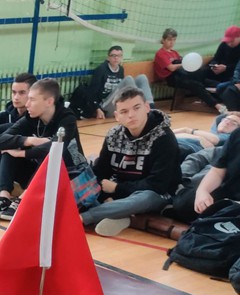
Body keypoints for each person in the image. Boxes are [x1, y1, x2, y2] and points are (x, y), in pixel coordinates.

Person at [80, 87, 181, 237]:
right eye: (124, 111)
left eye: (136, 108)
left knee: (144, 198)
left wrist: (117, 189)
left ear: (147, 107)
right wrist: (104, 196)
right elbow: (101, 171)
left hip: (156, 194)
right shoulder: (113, 135)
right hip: (120, 191)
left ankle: (83, 218)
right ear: (117, 116)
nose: (131, 115)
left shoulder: (164, 138)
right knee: (84, 180)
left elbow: (157, 185)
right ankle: (120, 214)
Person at [0, 78, 87, 221]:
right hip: (39, 174)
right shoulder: (31, 118)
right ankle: (4, 197)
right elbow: (0, 139)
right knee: (9, 150)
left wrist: (23, 153)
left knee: (48, 156)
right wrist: (30, 140)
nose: (27, 104)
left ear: (49, 101)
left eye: (32, 100)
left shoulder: (67, 118)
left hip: (69, 173)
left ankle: (24, 200)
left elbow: (56, 149)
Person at [153, 28, 226, 113]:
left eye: (174, 40)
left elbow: (183, 64)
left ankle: (224, 97)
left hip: (182, 75)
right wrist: (184, 64)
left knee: (204, 77)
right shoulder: (160, 53)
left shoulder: (174, 52)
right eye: (169, 40)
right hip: (171, 78)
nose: (172, 42)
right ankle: (217, 105)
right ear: (163, 40)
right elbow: (171, 68)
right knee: (196, 84)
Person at [79, 46, 155, 119]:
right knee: (128, 79)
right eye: (113, 55)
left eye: (119, 56)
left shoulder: (120, 69)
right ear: (108, 57)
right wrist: (97, 109)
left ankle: (151, 108)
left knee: (142, 77)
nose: (116, 58)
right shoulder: (101, 70)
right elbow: (91, 92)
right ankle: (139, 106)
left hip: (118, 101)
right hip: (105, 105)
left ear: (121, 57)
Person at [187, 128, 240, 219]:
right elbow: (217, 171)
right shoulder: (237, 134)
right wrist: (203, 191)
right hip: (229, 193)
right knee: (186, 202)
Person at [173, 112, 240, 159]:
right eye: (226, 119)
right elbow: (170, 134)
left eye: (234, 123)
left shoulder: (228, 136)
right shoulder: (203, 133)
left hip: (186, 148)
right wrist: (198, 137)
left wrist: (187, 130)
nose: (227, 122)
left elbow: (214, 140)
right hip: (174, 142)